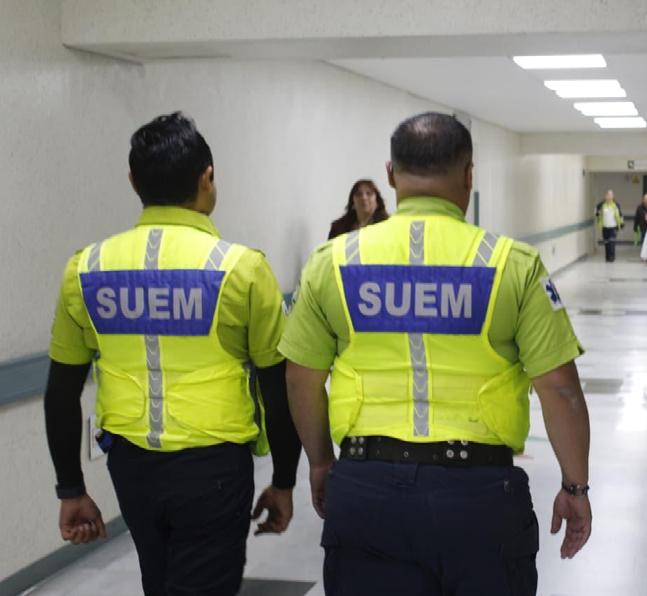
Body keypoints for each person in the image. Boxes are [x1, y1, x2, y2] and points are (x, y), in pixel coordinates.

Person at [280, 112, 592, 596]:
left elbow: (300, 378)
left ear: (390, 174)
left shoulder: (333, 262)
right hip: (480, 496)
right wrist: (575, 486)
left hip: (365, 490)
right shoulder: (512, 264)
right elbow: (560, 390)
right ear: (469, 175)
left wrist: (320, 462)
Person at [44, 112, 301, 596]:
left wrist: (70, 488)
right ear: (207, 177)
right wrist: (284, 480)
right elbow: (278, 385)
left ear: (133, 181)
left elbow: (61, 390)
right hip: (214, 470)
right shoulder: (241, 269)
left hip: (131, 467)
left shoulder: (86, 269)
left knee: (158, 581)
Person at [595, 189, 624, 262]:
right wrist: (598, 218)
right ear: (605, 196)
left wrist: (621, 223)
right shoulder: (602, 205)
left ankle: (612, 257)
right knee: (606, 243)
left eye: (611, 195)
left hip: (613, 227)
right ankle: (607, 257)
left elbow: (620, 215)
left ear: (613, 196)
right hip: (605, 227)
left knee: (612, 243)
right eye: (608, 195)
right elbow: (597, 212)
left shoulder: (616, 205)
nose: (609, 196)